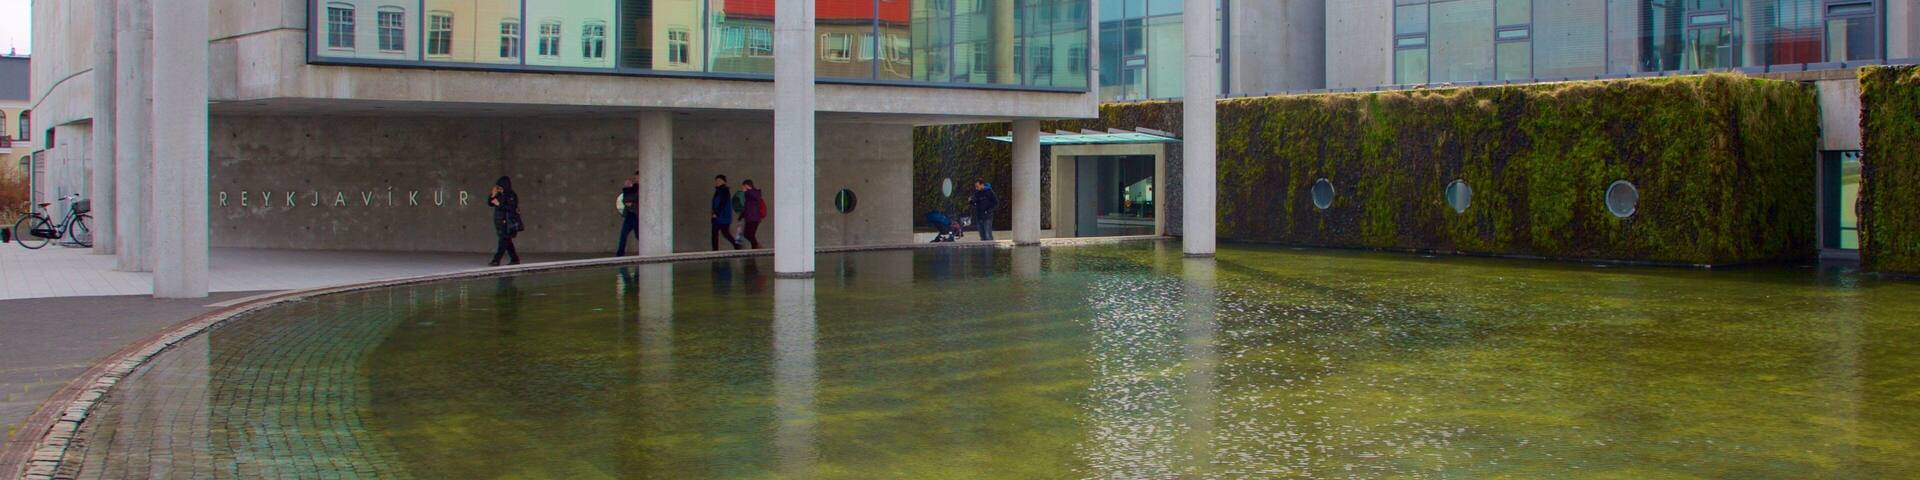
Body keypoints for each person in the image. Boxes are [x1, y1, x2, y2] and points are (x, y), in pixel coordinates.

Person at [488, 176, 523, 266]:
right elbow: (490, 203)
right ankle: (515, 259)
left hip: (507, 221)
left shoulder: (511, 195)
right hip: (499, 221)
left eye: (500, 186)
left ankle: (496, 260)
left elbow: (511, 208)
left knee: (503, 240)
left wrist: (499, 204)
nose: (499, 188)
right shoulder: (499, 194)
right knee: (507, 241)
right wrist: (492, 195)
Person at [711, 175, 742, 250]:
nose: (717, 182)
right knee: (720, 233)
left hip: (722, 216)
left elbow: (723, 203)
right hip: (719, 216)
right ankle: (736, 246)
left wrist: (716, 213)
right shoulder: (718, 191)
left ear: (723, 181)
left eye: (718, 180)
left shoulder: (724, 190)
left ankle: (716, 250)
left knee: (723, 233)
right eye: (716, 180)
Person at [615, 171, 640, 256]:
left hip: (637, 215)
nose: (636, 179)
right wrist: (627, 188)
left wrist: (632, 203)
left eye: (638, 177)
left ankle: (646, 252)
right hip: (630, 215)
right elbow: (625, 199)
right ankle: (620, 254)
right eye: (636, 177)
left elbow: (637, 200)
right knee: (623, 235)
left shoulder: (642, 188)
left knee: (639, 236)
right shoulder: (634, 187)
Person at [738, 179, 765, 249]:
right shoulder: (748, 195)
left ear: (747, 186)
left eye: (743, 187)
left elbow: (756, 198)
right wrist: (742, 215)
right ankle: (755, 246)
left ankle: (756, 246)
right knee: (747, 234)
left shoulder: (753, 193)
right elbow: (747, 207)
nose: (742, 189)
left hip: (754, 218)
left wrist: (749, 190)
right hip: (750, 218)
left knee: (750, 234)